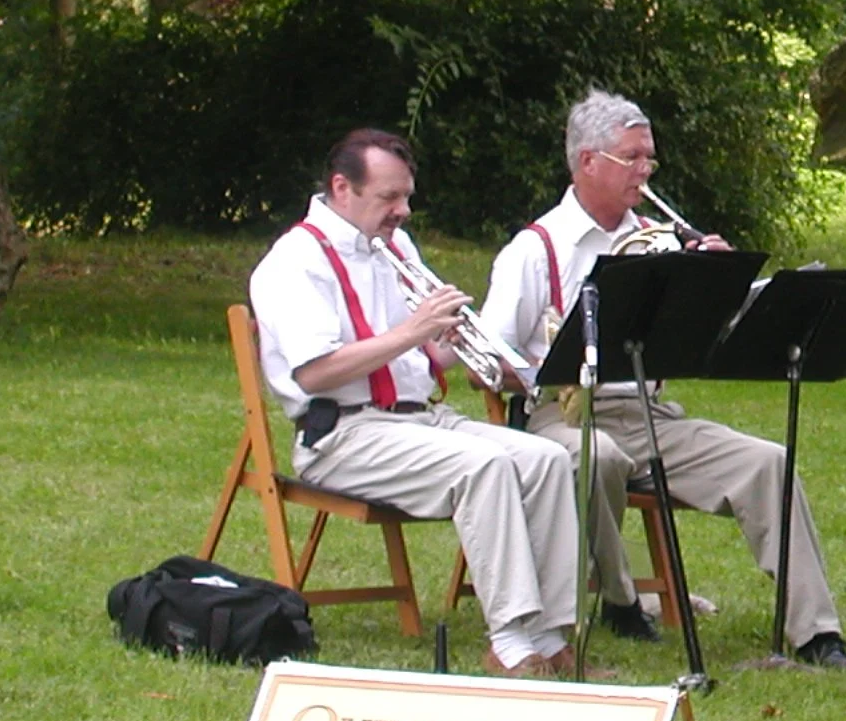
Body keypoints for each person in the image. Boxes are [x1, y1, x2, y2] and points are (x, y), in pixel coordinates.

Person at [480, 89, 846, 671]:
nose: (645, 171)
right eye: (631, 158)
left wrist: (722, 287)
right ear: (588, 162)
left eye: (648, 159)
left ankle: (816, 633)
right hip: (560, 418)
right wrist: (540, 372)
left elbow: (702, 342)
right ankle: (620, 599)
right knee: (598, 456)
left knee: (768, 461)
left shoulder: (660, 239)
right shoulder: (536, 251)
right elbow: (487, 354)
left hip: (652, 416)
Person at [248, 128, 592, 680]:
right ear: (342, 188)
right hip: (343, 435)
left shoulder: (392, 246)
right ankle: (509, 644)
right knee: (484, 466)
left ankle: (553, 640)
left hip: (418, 420)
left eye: (406, 196)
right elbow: (316, 372)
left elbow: (418, 356)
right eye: (389, 198)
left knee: (546, 459)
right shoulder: (293, 263)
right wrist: (414, 331)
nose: (402, 211)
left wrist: (457, 344)